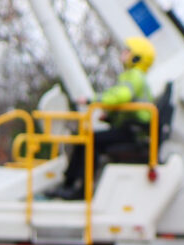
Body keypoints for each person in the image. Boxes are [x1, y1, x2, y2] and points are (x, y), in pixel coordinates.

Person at [50, 36, 156, 200]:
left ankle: (80, 189)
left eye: (127, 51)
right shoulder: (134, 76)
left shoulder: (134, 76)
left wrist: (93, 100)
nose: (123, 53)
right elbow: (126, 104)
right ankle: (69, 184)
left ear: (137, 57)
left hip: (133, 132)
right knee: (89, 138)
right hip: (131, 129)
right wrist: (111, 116)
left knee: (91, 141)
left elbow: (122, 96)